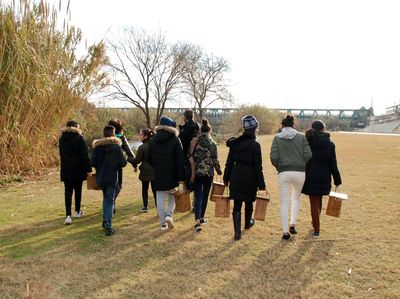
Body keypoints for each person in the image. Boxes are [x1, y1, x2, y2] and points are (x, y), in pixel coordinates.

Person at [224, 115, 266, 241]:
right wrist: (262, 185)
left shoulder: (235, 144)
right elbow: (258, 167)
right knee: (248, 202)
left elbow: (229, 163)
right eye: (257, 127)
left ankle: (237, 233)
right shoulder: (255, 145)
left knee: (237, 204)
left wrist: (226, 179)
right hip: (250, 177)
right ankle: (247, 224)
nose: (258, 129)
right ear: (253, 129)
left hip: (236, 175)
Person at [270, 115, 312, 240]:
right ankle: (292, 223)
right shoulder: (301, 137)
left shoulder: (277, 138)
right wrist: (301, 162)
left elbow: (273, 157)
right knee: (296, 198)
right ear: (294, 125)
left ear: (282, 125)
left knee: (284, 202)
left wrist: (279, 166)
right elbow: (308, 155)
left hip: (284, 172)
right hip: (299, 172)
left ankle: (285, 231)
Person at [302, 120, 342, 238]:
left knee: (313, 203)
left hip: (310, 176)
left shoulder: (307, 142)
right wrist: (337, 180)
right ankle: (316, 223)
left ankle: (316, 228)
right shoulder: (330, 144)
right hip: (324, 177)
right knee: (319, 200)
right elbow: (333, 164)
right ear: (323, 129)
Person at [149, 116, 185, 231]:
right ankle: (169, 215)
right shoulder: (175, 140)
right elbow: (180, 159)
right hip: (172, 173)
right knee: (172, 196)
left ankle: (162, 223)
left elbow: (149, 159)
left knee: (159, 197)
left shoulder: (153, 140)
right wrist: (181, 176)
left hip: (158, 173)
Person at [91, 125, 127, 236]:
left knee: (105, 198)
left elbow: (92, 163)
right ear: (113, 134)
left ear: (104, 134)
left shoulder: (97, 147)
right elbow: (123, 163)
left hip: (101, 177)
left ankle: (105, 222)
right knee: (110, 200)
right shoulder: (116, 147)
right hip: (112, 177)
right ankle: (109, 226)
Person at [190, 119, 222, 232]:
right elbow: (215, 160)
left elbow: (190, 155)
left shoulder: (194, 141)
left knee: (197, 197)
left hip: (197, 172)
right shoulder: (213, 143)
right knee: (204, 197)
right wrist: (219, 171)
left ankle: (197, 221)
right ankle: (202, 217)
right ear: (210, 130)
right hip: (208, 173)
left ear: (200, 130)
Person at [59, 120, 92, 225]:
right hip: (78, 168)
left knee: (67, 192)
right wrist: (89, 169)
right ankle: (77, 211)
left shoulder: (62, 139)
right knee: (78, 190)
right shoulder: (79, 138)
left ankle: (68, 215)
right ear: (74, 127)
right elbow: (85, 155)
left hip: (66, 168)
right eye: (78, 126)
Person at [108, 119, 135, 214]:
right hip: (117, 165)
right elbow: (129, 151)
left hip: (105, 166)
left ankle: (109, 203)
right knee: (118, 185)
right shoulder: (121, 138)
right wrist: (134, 163)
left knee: (108, 186)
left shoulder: (105, 137)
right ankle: (112, 202)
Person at [129, 128, 156, 212]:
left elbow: (137, 161)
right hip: (155, 170)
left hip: (145, 171)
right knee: (155, 189)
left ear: (145, 136)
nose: (139, 136)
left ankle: (145, 207)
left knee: (145, 189)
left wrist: (128, 159)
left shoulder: (142, 147)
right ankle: (158, 205)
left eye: (140, 135)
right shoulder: (155, 145)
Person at [178, 109, 200, 190]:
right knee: (197, 190)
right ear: (192, 116)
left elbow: (181, 149)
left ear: (185, 117)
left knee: (186, 188)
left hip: (187, 162)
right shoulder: (199, 130)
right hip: (199, 161)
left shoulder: (183, 132)